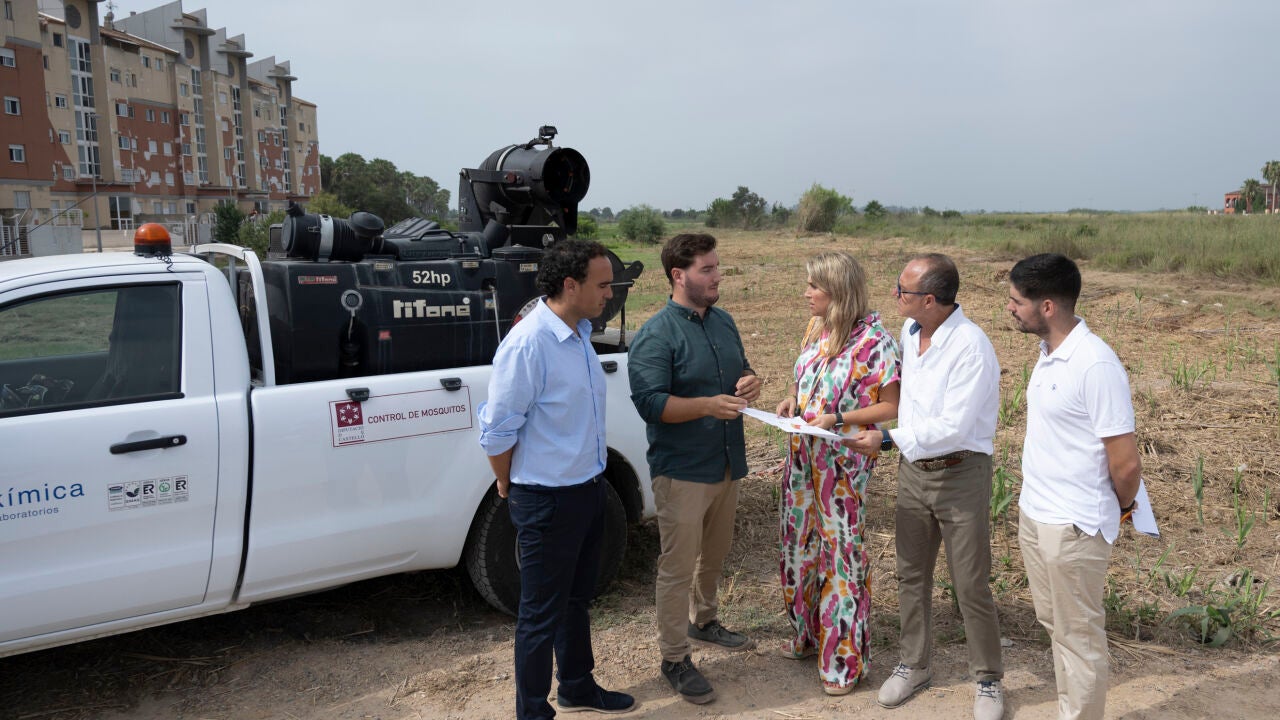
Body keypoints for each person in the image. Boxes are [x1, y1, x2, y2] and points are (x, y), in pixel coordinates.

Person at [478, 239, 636, 720]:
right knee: (540, 613)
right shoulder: (529, 343)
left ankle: (576, 686)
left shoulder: (579, 331)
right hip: (546, 498)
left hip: (587, 490)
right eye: (602, 284)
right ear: (570, 285)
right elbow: (497, 429)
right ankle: (532, 711)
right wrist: (507, 483)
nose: (609, 293)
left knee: (575, 600)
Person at [847, 253, 1005, 719]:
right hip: (915, 472)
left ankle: (988, 679)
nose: (895, 295)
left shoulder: (971, 347)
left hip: (960, 473)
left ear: (931, 299)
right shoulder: (909, 331)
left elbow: (955, 427)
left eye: (903, 290)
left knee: (970, 582)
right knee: (910, 573)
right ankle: (914, 665)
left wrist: (887, 439)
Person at [628, 233, 761, 705]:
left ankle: (704, 621)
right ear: (678, 276)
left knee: (715, 554)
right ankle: (674, 658)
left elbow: (743, 369)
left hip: (726, 462)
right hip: (682, 471)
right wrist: (706, 405)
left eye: (717, 267)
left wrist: (751, 381)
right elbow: (650, 404)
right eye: (707, 269)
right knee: (677, 567)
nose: (717, 276)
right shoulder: (656, 334)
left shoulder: (723, 322)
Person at [1006, 253, 1141, 720]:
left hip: (1074, 525)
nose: (1010, 308)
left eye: (1016, 301)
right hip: (1037, 515)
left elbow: (1126, 463)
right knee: (1058, 626)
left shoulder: (1095, 364)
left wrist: (1119, 507)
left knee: (1078, 637)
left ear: (1047, 306)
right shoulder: (1049, 354)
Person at [774, 251, 900, 696]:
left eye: (814, 285)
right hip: (802, 461)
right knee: (799, 550)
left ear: (838, 291)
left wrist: (839, 418)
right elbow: (805, 381)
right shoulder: (817, 328)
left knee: (841, 557)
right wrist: (793, 401)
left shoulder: (876, 342)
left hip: (841, 468)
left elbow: (891, 407)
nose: (806, 292)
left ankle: (842, 661)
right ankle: (807, 635)